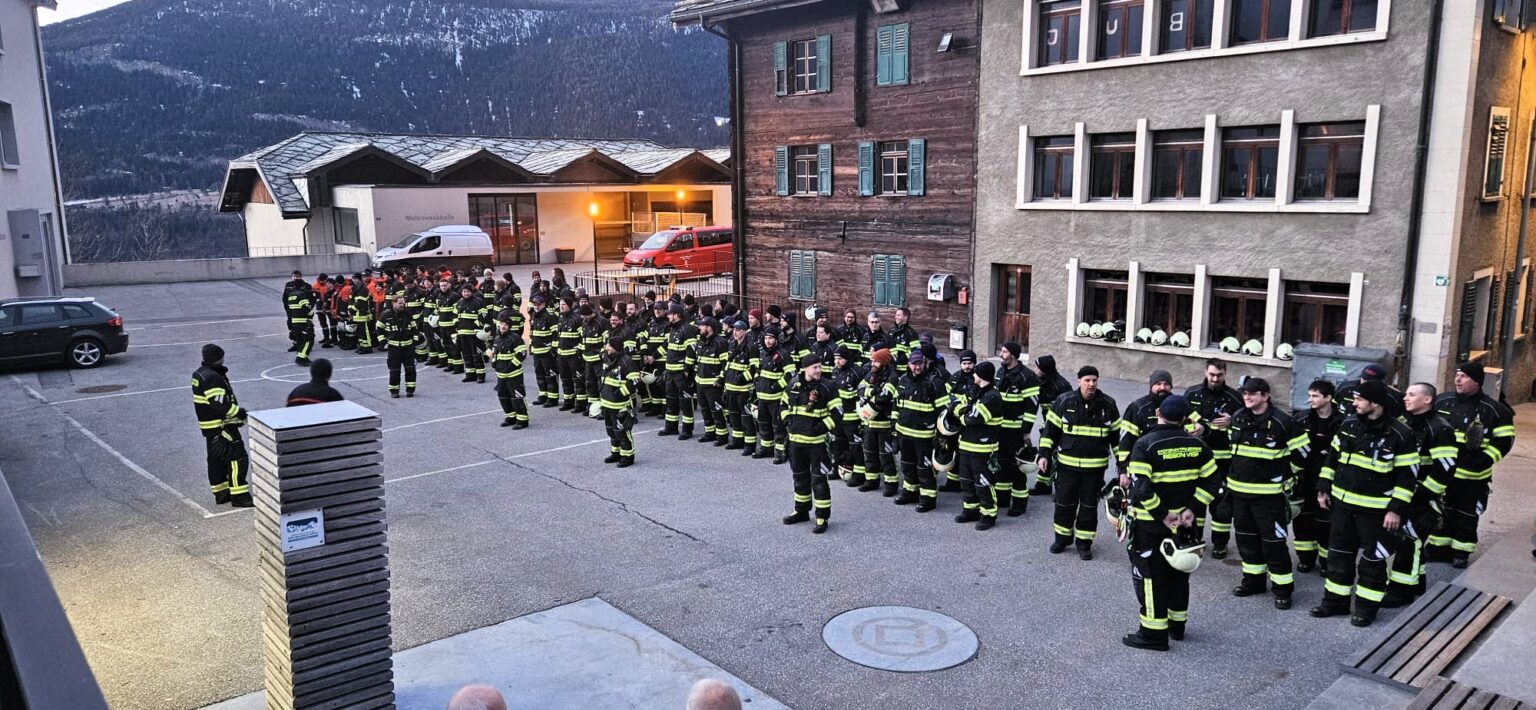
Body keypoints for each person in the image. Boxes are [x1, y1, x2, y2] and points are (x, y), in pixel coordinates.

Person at [1311, 380, 1421, 627]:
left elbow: (1408, 478)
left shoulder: (1401, 435)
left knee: (1372, 561)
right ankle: (1335, 603)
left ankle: (1365, 609)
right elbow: (1332, 459)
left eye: (1360, 399)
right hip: (1342, 505)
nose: (1354, 402)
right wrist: (1323, 488)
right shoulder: (1349, 425)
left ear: (1375, 403)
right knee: (1338, 555)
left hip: (1376, 511)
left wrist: (1395, 510)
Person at [1121, 395, 1217, 651]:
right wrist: (1192, 510)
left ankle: (1153, 634)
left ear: (1157, 413)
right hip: (1186, 525)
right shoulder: (1198, 445)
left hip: (1151, 524)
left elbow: (1141, 488)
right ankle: (1177, 626)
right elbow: (1213, 482)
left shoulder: (1145, 444)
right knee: (1179, 574)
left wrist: (1163, 514)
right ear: (1185, 419)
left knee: (1150, 576)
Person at [1225, 377, 1309, 609]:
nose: (1248, 397)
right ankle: (1253, 581)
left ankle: (1282, 590)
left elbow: (1303, 454)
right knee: (1246, 539)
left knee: (1274, 543)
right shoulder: (1239, 417)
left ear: (1265, 396)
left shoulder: (1283, 422)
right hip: (1240, 493)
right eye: (1245, 394)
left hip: (1269, 496)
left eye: (1253, 394)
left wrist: (1284, 475)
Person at [1428, 361, 1515, 568]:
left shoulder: (1495, 410)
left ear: (1477, 382)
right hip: (1442, 474)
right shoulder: (1443, 402)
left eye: (1464, 376)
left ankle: (1461, 552)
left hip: (1472, 477)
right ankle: (1438, 548)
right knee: (1439, 510)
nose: (1458, 379)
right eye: (1457, 375)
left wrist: (1484, 459)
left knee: (1466, 515)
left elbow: (1504, 441)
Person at [1038, 366, 1121, 560]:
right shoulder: (1064, 401)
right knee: (1064, 505)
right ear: (1078, 381)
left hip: (1094, 469)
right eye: (1087, 380)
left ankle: (1084, 544)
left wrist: (1123, 466)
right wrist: (1043, 455)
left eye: (1094, 380)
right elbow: (1050, 431)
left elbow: (1117, 439)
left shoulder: (1108, 405)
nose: (1091, 384)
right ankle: (1062, 539)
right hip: (1067, 467)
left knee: (1088, 508)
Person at [1386, 382, 1456, 607]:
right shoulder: (1405, 423)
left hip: (1422, 497)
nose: (1405, 398)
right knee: (1412, 542)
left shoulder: (1440, 428)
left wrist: (1423, 495)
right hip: (1407, 493)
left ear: (1427, 400)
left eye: (1412, 394)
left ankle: (1400, 592)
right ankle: (1417, 583)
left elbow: (1445, 468)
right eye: (1406, 393)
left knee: (1409, 541)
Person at [1185, 358, 1243, 558]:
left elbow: (1246, 426)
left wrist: (1233, 421)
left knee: (1221, 505)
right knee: (1196, 503)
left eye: (1219, 375)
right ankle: (1195, 539)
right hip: (1195, 461)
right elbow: (1182, 421)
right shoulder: (1191, 394)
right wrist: (1195, 427)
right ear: (1205, 372)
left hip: (1224, 461)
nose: (1215, 379)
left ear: (1225, 374)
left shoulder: (1236, 399)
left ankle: (1220, 544)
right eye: (1211, 374)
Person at [782, 354, 838, 533]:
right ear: (805, 368)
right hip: (796, 442)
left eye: (820, 367)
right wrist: (787, 421)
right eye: (815, 367)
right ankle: (801, 510)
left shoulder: (827, 386)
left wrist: (820, 428)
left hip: (817, 444)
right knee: (799, 478)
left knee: (819, 480)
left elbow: (838, 412)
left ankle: (822, 517)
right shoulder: (793, 384)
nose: (819, 370)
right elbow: (783, 405)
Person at [191, 344, 251, 507]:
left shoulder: (200, 374)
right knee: (237, 458)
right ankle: (239, 496)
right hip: (223, 426)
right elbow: (220, 405)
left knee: (216, 460)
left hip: (210, 428)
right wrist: (240, 413)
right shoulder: (213, 377)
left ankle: (221, 492)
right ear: (219, 358)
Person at [1295, 379, 1345, 574]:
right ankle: (1306, 559)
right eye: (1309, 395)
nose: (1310, 400)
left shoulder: (1343, 422)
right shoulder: (1301, 419)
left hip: (1330, 479)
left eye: (1315, 396)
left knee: (1325, 523)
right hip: (1304, 479)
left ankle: (1326, 562)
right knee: (1302, 520)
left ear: (1329, 398)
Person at [892, 350, 949, 511]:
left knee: (924, 468)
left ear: (924, 364)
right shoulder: (903, 380)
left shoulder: (934, 383)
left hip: (924, 436)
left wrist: (941, 435)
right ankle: (910, 492)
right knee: (907, 466)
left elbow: (943, 411)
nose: (917, 367)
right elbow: (896, 406)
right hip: (904, 433)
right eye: (914, 363)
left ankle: (928, 498)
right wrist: (894, 427)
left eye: (919, 364)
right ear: (908, 364)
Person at [952, 361, 1003, 530]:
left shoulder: (992, 397)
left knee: (984, 483)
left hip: (983, 448)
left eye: (975, 373)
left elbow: (971, 419)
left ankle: (988, 514)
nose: (972, 375)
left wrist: (959, 411)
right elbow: (963, 407)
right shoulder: (976, 391)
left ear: (981, 376)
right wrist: (962, 409)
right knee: (966, 480)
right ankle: (970, 510)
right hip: (966, 445)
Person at [994, 342, 1041, 516]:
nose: (1001, 354)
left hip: (1016, 432)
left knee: (1017, 467)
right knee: (1001, 465)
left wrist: (1026, 431)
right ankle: (1002, 498)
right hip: (1000, 429)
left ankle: (1020, 504)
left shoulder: (1027, 377)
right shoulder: (1000, 372)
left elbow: (1032, 407)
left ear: (1013, 355)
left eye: (1004, 351)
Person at [858, 347, 900, 493]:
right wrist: (871, 392)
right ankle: (871, 480)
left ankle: (891, 483)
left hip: (885, 423)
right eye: (872, 361)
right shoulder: (871, 374)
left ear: (883, 362)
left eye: (876, 361)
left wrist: (870, 395)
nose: (872, 364)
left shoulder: (892, 377)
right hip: (870, 422)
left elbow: (885, 397)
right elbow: (860, 388)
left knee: (886, 454)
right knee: (869, 452)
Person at [1116, 370, 1174, 474]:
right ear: (1151, 385)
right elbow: (1126, 441)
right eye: (1158, 384)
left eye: (1166, 384)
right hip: (1143, 466)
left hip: (1170, 467)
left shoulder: (1178, 406)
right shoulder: (1137, 408)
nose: (1162, 388)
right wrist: (1123, 470)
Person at [1030, 354, 1072, 494]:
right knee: (1045, 451)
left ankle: (1060, 488)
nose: (1035, 370)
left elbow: (1069, 411)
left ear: (1045, 370)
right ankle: (1043, 485)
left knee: (1058, 456)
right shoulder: (1040, 382)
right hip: (1048, 423)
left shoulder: (1062, 385)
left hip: (1061, 426)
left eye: (1038, 368)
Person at [753, 326, 793, 463]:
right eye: (766, 338)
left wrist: (776, 386)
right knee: (763, 424)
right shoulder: (764, 353)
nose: (768, 341)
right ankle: (766, 448)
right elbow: (760, 370)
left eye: (770, 338)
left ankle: (780, 452)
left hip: (776, 398)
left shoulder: (783, 354)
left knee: (778, 426)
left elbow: (790, 375)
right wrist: (757, 380)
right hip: (762, 397)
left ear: (776, 339)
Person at [599, 336, 639, 466]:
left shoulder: (626, 362)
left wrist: (619, 393)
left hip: (620, 405)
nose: (606, 347)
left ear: (615, 347)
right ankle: (616, 453)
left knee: (622, 432)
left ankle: (627, 457)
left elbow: (634, 381)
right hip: (607, 403)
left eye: (609, 345)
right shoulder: (607, 359)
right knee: (611, 431)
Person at [661, 303, 700, 438]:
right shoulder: (673, 329)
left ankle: (687, 430)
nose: (668, 316)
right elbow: (668, 347)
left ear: (676, 315)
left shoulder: (687, 329)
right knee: (671, 401)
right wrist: (653, 357)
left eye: (670, 314)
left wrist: (687, 371)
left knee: (685, 402)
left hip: (681, 374)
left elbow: (691, 352)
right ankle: (671, 427)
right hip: (670, 372)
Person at [691, 317, 730, 445]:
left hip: (713, 384)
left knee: (717, 410)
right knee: (705, 410)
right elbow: (698, 361)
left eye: (702, 326)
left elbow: (726, 364)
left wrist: (721, 379)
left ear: (709, 328)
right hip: (700, 382)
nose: (699, 328)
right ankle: (710, 433)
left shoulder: (721, 342)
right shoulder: (701, 341)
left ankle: (722, 436)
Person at [489, 316, 530, 429]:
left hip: (514, 375)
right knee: (503, 396)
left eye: (506, 325)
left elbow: (522, 353)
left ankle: (522, 420)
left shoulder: (515, 338)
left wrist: (511, 365)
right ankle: (510, 417)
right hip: (501, 375)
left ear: (509, 327)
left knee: (517, 397)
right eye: (502, 324)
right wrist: (494, 362)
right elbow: (495, 353)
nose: (503, 326)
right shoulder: (497, 339)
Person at [378, 296, 417, 398]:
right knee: (394, 371)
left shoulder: (408, 314)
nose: (402, 305)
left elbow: (414, 329)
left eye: (403, 303)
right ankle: (394, 391)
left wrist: (415, 342)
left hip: (408, 347)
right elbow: (379, 329)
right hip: (394, 348)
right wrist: (383, 343)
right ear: (393, 303)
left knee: (410, 370)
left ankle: (410, 390)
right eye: (400, 303)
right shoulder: (386, 315)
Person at [1335, 363, 1403, 419]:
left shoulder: (1392, 396)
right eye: (1363, 379)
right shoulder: (1345, 387)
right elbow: (1333, 405)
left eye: (1369, 381)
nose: (1364, 382)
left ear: (1380, 382)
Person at [528, 293, 560, 406]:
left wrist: (553, 350)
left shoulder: (550, 317)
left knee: (550, 375)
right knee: (539, 374)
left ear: (544, 304)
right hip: (537, 351)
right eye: (535, 304)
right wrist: (531, 345)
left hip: (547, 352)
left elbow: (555, 334)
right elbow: (532, 333)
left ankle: (552, 398)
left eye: (539, 304)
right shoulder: (533, 316)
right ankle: (543, 395)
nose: (536, 306)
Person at [456, 284, 488, 384]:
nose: (465, 293)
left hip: (474, 335)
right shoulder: (459, 302)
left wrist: (474, 325)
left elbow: (483, 317)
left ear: (471, 291)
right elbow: (454, 315)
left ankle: (480, 376)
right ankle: (470, 375)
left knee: (476, 355)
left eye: (467, 291)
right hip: (462, 334)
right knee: (466, 355)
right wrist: (456, 324)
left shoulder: (478, 302)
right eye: (464, 292)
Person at [282, 271, 315, 366]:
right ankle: (302, 358)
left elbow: (287, 304)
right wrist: (310, 313)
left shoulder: (291, 295)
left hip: (294, 320)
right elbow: (306, 307)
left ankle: (300, 356)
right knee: (309, 339)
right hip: (303, 321)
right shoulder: (301, 295)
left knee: (300, 340)